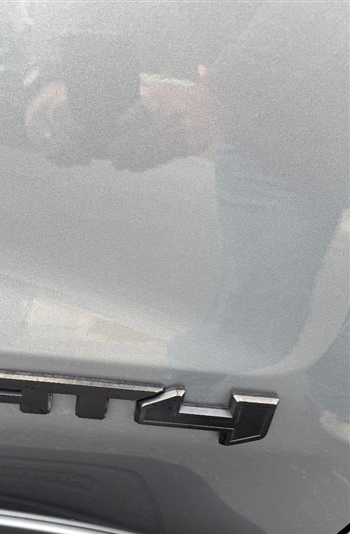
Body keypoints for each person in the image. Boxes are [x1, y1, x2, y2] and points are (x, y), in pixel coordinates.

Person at [25, 1, 349, 373]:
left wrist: (220, 95)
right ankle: (185, 399)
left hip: (267, 126)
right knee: (253, 334)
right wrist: (53, 69)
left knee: (260, 337)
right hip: (274, 141)